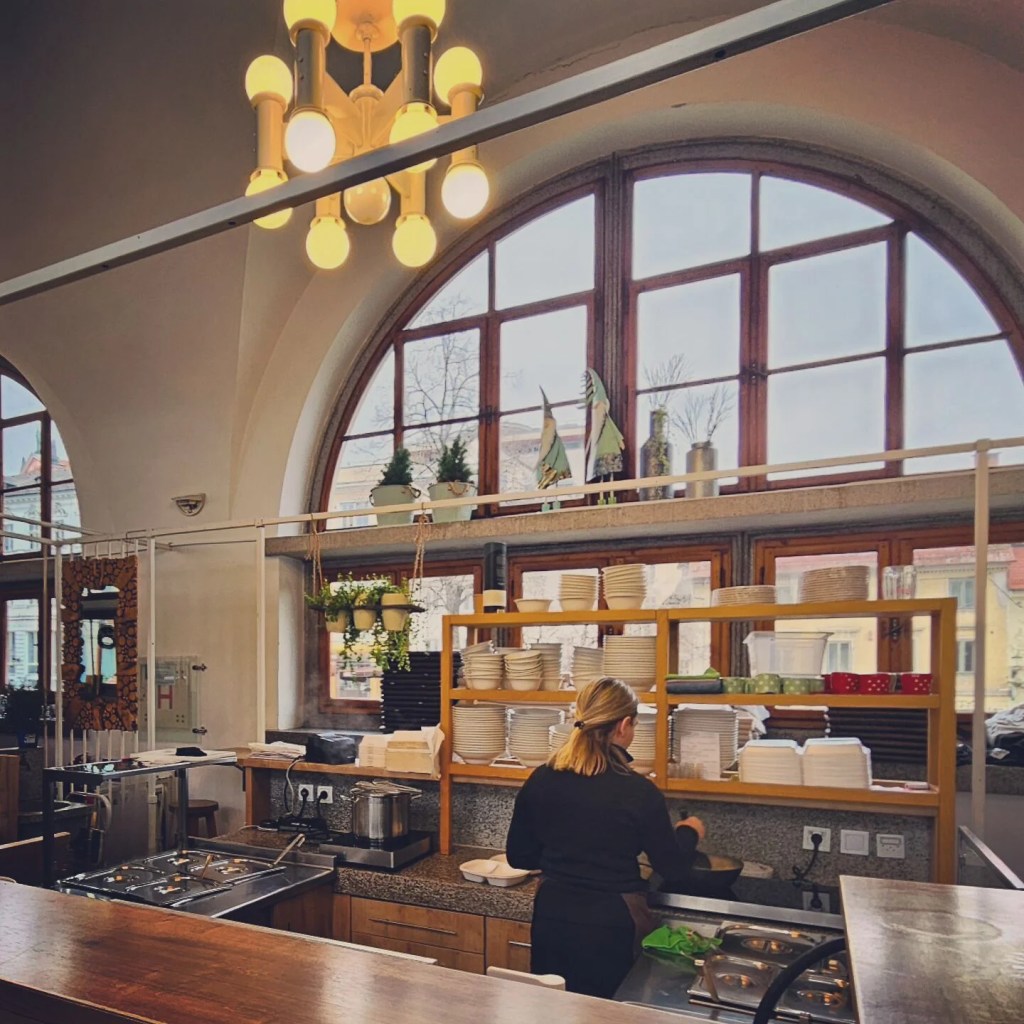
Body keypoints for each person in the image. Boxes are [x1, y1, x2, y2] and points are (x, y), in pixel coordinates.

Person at [505, 677, 706, 998]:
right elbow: (673, 867)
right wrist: (689, 832)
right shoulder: (638, 791)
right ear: (624, 725)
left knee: (551, 1010)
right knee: (607, 1013)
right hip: (611, 924)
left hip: (552, 916)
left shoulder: (542, 778)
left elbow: (520, 857)